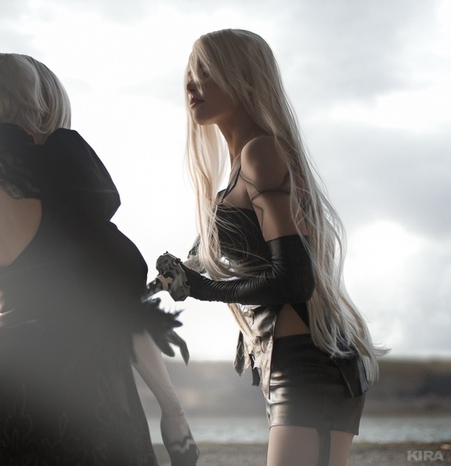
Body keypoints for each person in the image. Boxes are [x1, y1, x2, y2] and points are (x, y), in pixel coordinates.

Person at [0, 53, 198, 466]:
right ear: (41, 107)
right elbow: (121, 307)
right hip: (82, 390)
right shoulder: (62, 175)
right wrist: (173, 412)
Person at [153, 30, 387, 466]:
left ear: (244, 79)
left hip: (310, 364)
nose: (191, 83)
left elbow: (294, 279)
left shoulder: (262, 154)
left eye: (207, 72)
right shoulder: (243, 165)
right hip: (289, 363)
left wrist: (204, 289)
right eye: (190, 72)